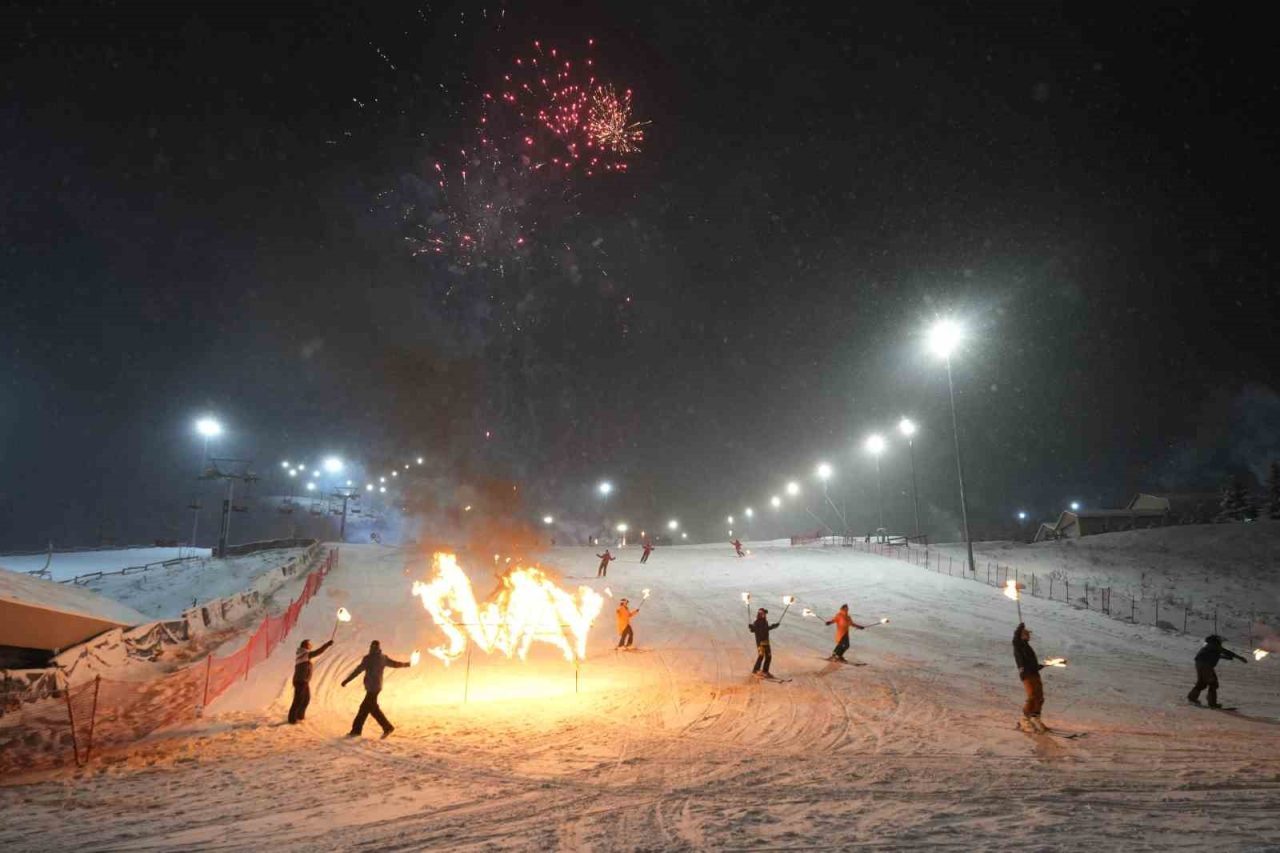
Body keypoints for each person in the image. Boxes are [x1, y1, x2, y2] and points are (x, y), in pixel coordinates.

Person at [340, 640, 410, 738]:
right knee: (371, 709)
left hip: (372, 688)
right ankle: (384, 727)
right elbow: (395, 664)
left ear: (371, 647)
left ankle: (358, 731)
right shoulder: (383, 658)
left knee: (364, 709)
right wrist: (407, 664)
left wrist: (347, 680)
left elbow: (358, 670)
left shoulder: (368, 659)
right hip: (377, 687)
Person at [1188, 634, 1248, 708]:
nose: (1221, 642)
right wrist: (1239, 657)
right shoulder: (1214, 644)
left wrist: (1224, 657)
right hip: (1206, 666)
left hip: (1202, 665)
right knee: (1213, 683)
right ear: (1217, 640)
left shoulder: (1210, 645)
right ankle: (1212, 703)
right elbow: (1225, 651)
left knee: (1202, 682)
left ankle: (1192, 698)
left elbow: (1213, 654)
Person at [287, 637, 334, 724]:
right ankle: (292, 719)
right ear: (306, 646)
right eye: (309, 644)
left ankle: (299, 716)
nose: (311, 645)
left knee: (306, 699)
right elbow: (318, 652)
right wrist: (327, 644)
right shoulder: (303, 654)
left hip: (303, 681)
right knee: (298, 700)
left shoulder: (303, 654)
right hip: (300, 681)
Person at [1012, 622, 1047, 732]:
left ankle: (1035, 717)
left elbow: (1031, 662)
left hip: (1034, 673)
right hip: (1027, 674)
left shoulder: (1028, 647)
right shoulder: (1018, 645)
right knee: (1032, 696)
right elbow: (1015, 639)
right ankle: (1024, 720)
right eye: (1026, 633)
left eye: (1028, 634)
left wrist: (1040, 666)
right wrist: (1020, 628)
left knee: (1040, 697)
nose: (1028, 635)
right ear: (1021, 635)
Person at [749, 607, 782, 678]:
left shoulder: (765, 621)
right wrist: (752, 628)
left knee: (769, 657)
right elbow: (755, 630)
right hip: (760, 642)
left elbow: (765, 629)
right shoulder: (757, 622)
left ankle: (765, 671)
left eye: (765, 614)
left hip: (766, 642)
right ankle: (755, 671)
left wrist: (773, 626)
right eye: (763, 613)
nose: (765, 615)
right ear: (760, 614)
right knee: (761, 656)